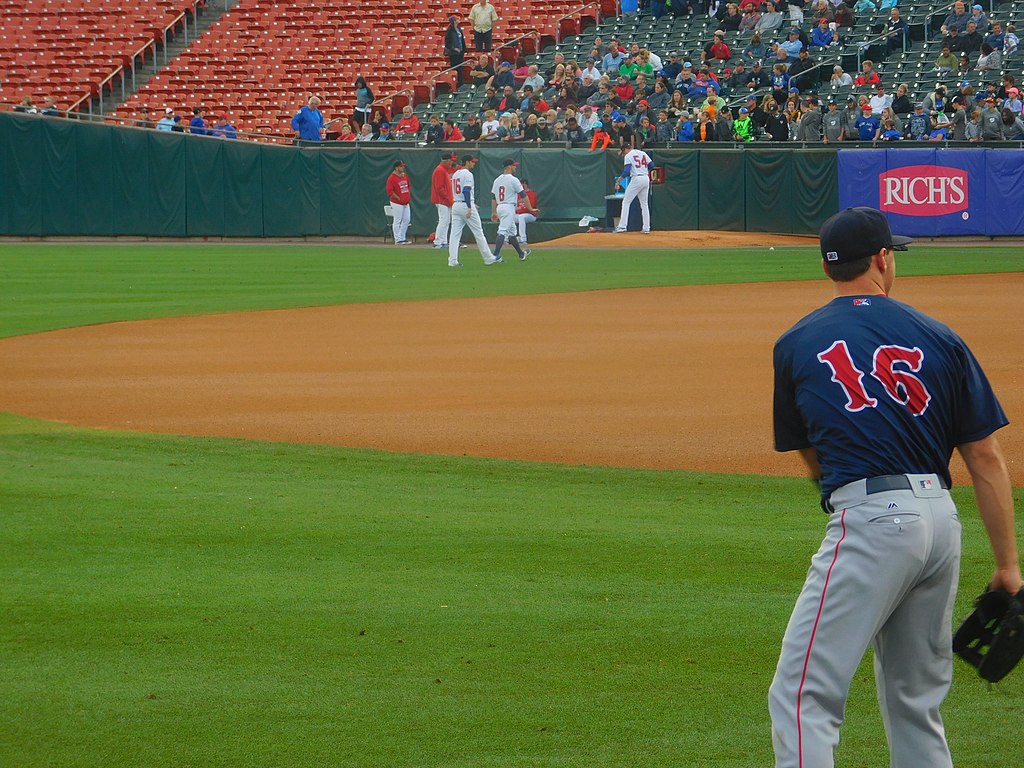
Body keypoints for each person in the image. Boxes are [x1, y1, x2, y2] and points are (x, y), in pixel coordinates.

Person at [769, 205, 1021, 768]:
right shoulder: (940, 336)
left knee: (801, 695)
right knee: (915, 700)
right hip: (940, 522)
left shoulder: (795, 343)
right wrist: (1008, 565)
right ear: (882, 259)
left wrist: (847, 499)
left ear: (827, 267)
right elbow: (983, 455)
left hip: (871, 518)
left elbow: (808, 449)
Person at [448, 155, 501, 268]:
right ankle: (488, 258)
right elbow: (466, 191)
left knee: (454, 234)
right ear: (467, 162)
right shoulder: (468, 174)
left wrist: (470, 203)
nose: (474, 163)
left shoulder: (456, 173)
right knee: (478, 232)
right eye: (472, 162)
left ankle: (452, 260)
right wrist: (469, 206)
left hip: (456, 204)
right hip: (465, 205)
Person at [490, 159, 536, 261]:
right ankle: (495, 256)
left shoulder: (497, 180)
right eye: (514, 165)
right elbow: (523, 195)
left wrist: (493, 211)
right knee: (502, 231)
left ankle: (521, 254)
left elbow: (493, 198)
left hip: (500, 206)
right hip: (508, 207)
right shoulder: (513, 179)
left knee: (512, 233)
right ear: (509, 166)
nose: (515, 167)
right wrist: (530, 209)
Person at [612, 145, 652, 234]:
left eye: (623, 152)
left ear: (626, 149)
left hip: (636, 178)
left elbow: (626, 171)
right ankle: (646, 228)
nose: (623, 154)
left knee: (626, 202)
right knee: (644, 204)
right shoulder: (643, 153)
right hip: (645, 177)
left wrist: (618, 181)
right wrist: (643, 170)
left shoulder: (628, 156)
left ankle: (622, 226)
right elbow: (651, 165)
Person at [430, 152, 457, 250]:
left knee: (446, 221)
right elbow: (440, 188)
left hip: (445, 200)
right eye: (451, 161)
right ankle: (437, 242)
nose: (452, 163)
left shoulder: (443, 169)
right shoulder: (440, 170)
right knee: (443, 220)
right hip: (441, 200)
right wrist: (449, 199)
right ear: (447, 161)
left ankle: (443, 241)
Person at [385, 161, 412, 245]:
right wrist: (399, 198)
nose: (403, 167)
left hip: (406, 202)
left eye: (403, 166)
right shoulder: (391, 178)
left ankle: (402, 237)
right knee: (397, 221)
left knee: (407, 220)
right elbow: (390, 191)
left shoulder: (405, 176)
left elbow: (408, 186)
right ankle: (397, 239)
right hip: (397, 203)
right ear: (396, 168)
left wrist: (406, 196)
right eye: (401, 166)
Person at [444, 16, 467, 85]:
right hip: (453, 53)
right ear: (454, 21)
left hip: (460, 52)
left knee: (460, 68)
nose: (459, 19)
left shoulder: (458, 28)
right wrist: (454, 48)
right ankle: (454, 83)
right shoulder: (449, 30)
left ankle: (460, 83)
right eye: (457, 19)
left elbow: (462, 39)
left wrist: (464, 49)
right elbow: (447, 43)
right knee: (454, 68)